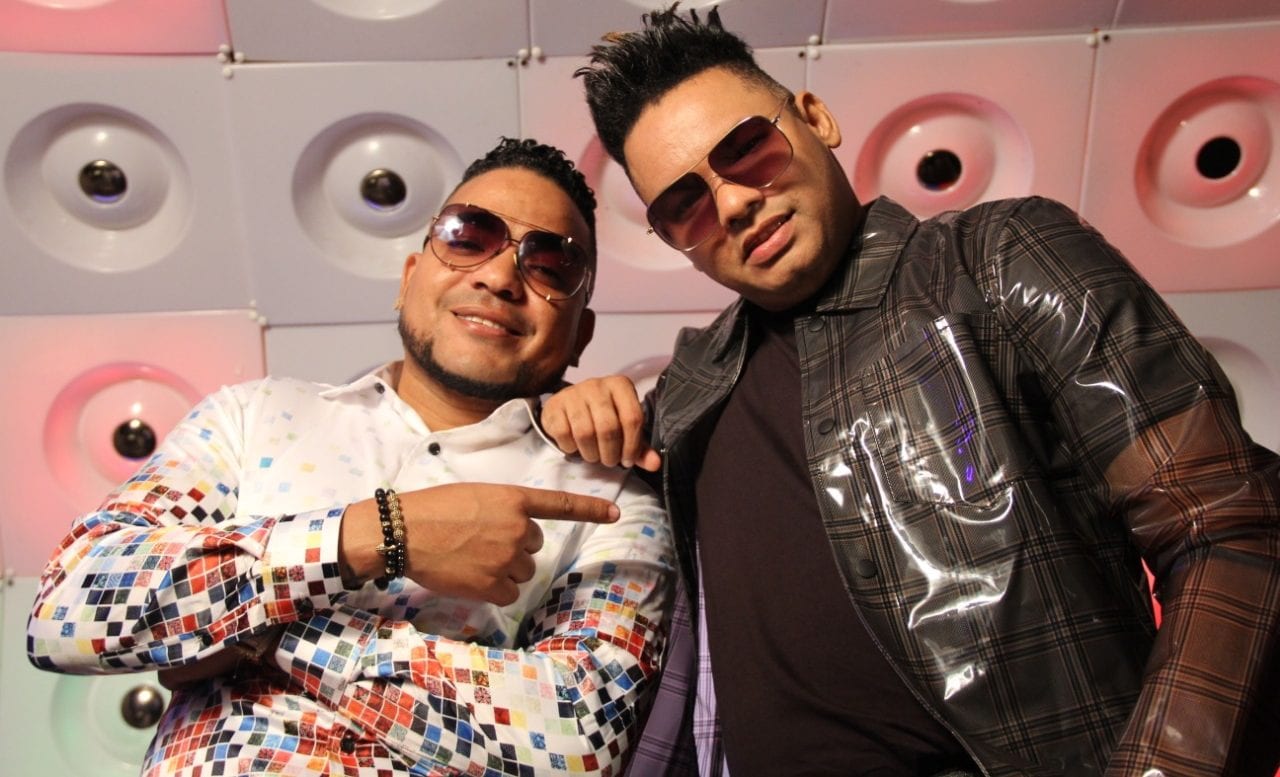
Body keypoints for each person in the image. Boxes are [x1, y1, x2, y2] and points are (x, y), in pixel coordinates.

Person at [540, 6, 1280, 776]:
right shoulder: (689, 391)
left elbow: (1229, 523)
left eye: (747, 149)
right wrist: (565, 405)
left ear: (816, 119)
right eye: (683, 203)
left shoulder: (996, 258)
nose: (731, 203)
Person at [27, 137, 675, 776]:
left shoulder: (607, 496)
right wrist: (376, 535)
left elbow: (579, 738)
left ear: (581, 333)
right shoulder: (252, 416)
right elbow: (69, 606)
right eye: (467, 236)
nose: (500, 276)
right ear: (410, 277)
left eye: (550, 266)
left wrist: (262, 634)